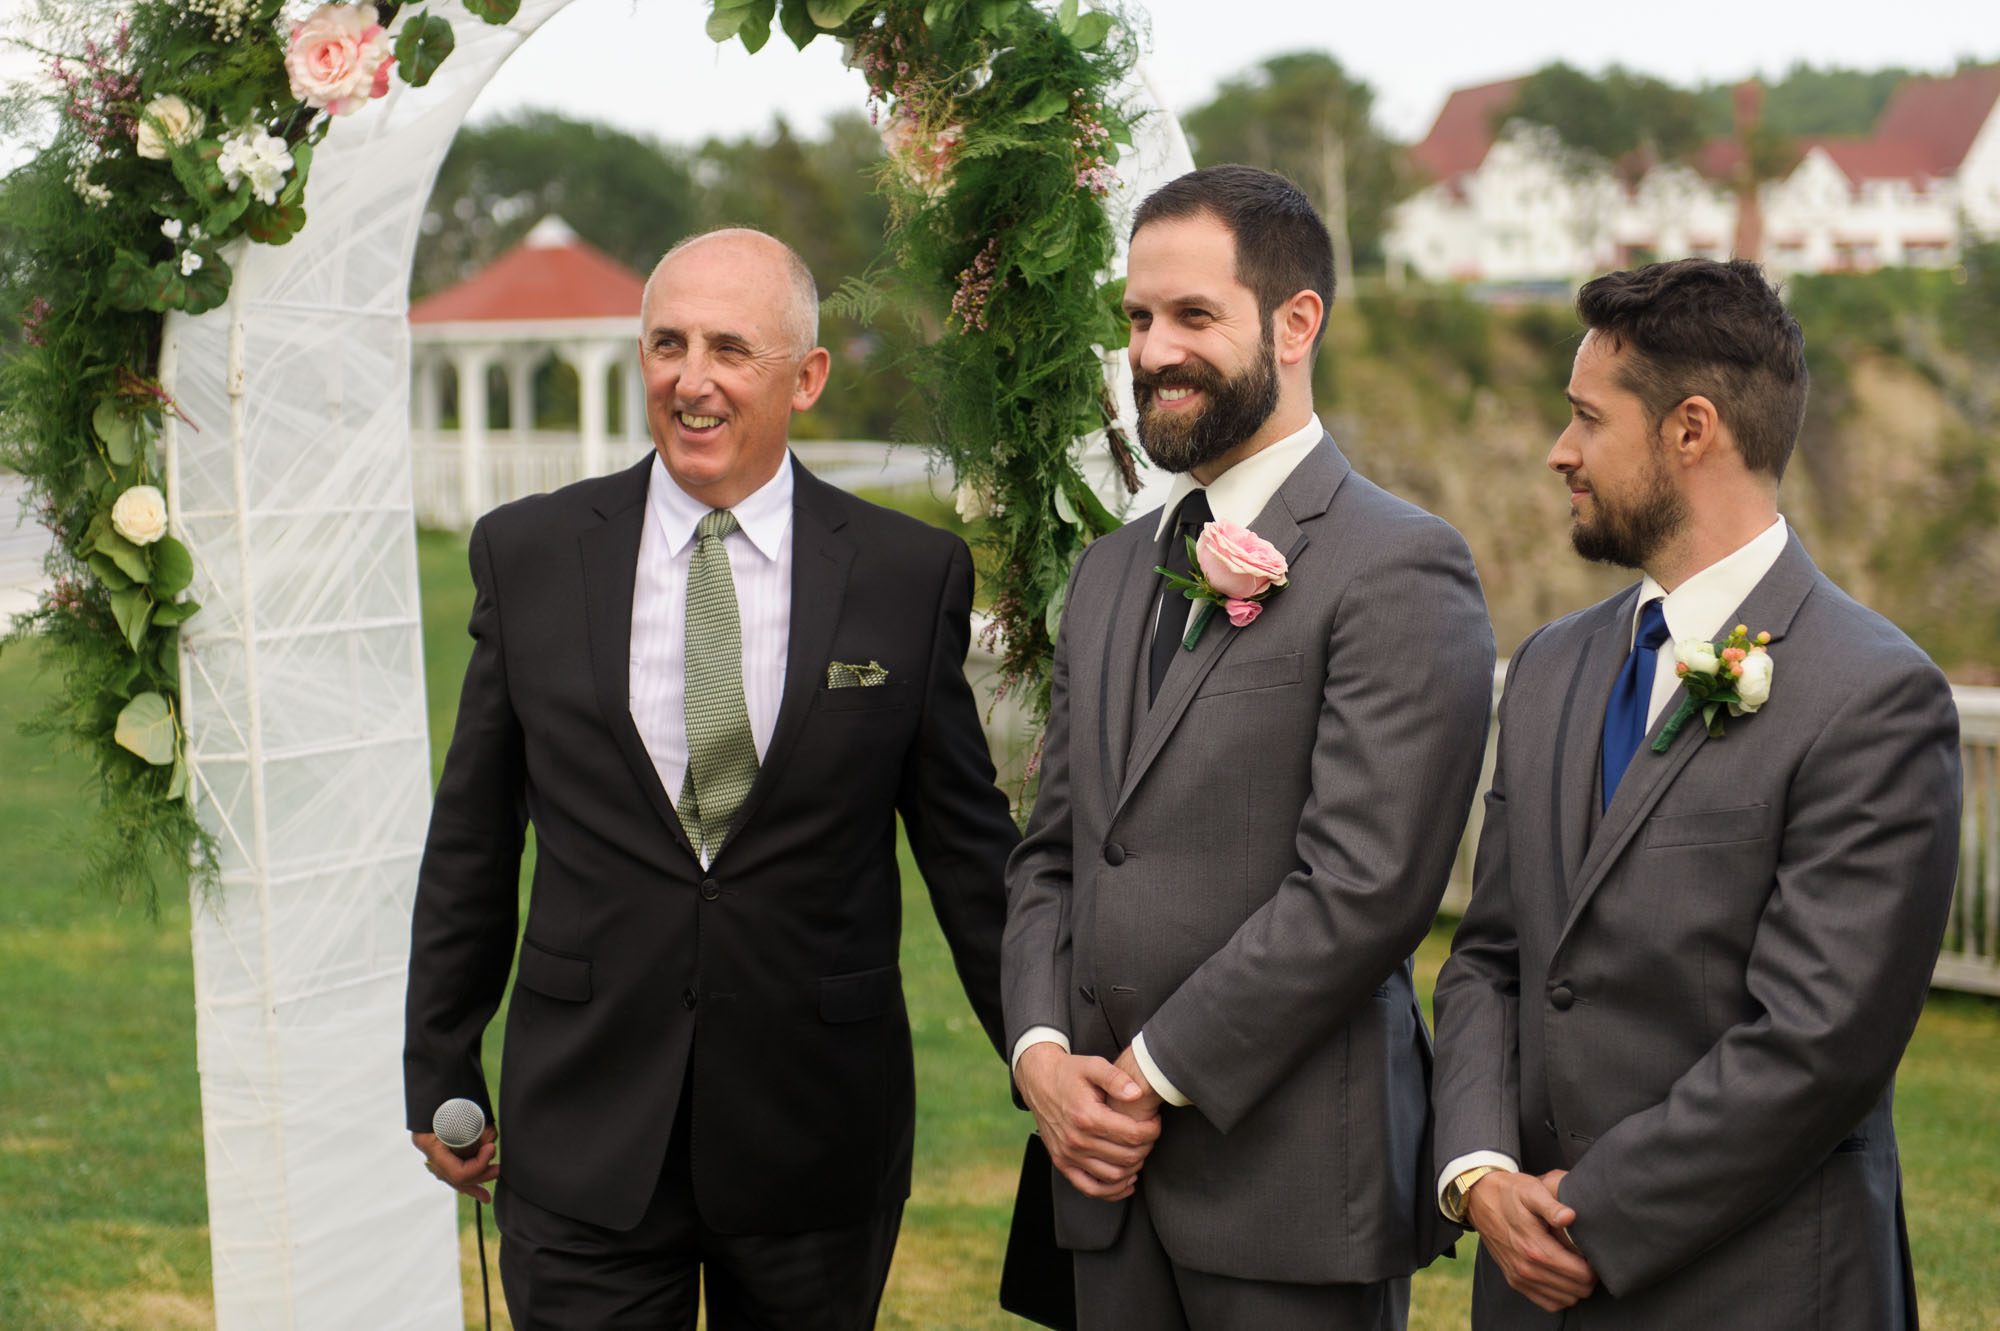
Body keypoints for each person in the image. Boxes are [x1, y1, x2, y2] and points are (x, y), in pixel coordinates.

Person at [403, 228, 1019, 1330]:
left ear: (806, 376)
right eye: (667, 343)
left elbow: (968, 851)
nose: (693, 378)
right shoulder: (529, 554)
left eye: (731, 348)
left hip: (814, 1134)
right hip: (584, 1125)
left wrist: (1044, 1050)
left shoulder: (902, 574)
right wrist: (438, 1054)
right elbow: (474, 835)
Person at [1002, 164, 1494, 1330]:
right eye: (1135, 317)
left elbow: (1364, 887)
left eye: (1190, 316)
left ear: (1294, 321)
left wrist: (1147, 1072)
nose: (1153, 350)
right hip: (1098, 1184)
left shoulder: (1399, 564)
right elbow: (1051, 855)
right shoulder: (1112, 569)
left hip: (1289, 1186)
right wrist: (1037, 1054)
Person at [1431, 257, 1961, 1329]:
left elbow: (1817, 1040)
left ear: (1689, 430)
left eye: (1585, 418)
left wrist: (1591, 1214)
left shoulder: (1872, 695)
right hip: (1523, 1285)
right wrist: (1481, 1169)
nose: (1557, 451)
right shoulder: (1546, 666)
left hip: (1755, 1286)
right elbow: (1490, 954)